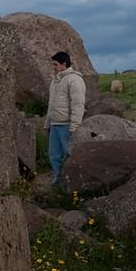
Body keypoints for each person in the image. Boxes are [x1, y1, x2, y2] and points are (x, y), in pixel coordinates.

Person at [46, 50, 86, 184]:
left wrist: (74, 126)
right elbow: (51, 104)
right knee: (54, 155)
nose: (54, 67)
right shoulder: (55, 81)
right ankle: (58, 180)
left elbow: (78, 104)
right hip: (55, 124)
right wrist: (48, 123)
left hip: (66, 125)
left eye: (55, 64)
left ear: (64, 64)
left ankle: (73, 183)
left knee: (69, 155)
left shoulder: (75, 80)